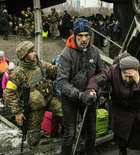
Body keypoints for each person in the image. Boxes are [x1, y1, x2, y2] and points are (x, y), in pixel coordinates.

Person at [87, 56, 140, 155]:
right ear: (120, 71)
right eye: (125, 76)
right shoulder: (114, 70)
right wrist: (92, 89)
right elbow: (97, 79)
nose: (127, 79)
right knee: (121, 138)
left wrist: (138, 80)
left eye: (130, 77)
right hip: (120, 109)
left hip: (139, 110)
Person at [5, 41, 62, 151]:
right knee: (34, 133)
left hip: (49, 99)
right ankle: (34, 151)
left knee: (67, 112)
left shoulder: (39, 64)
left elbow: (53, 70)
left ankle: (74, 135)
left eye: (34, 50)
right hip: (35, 107)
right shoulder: (17, 73)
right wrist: (17, 112)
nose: (34, 53)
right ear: (25, 55)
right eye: (31, 52)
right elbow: (9, 93)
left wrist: (64, 63)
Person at [57, 18, 103, 155]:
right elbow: (62, 82)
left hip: (89, 96)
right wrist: (78, 94)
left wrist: (96, 90)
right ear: (74, 35)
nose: (84, 39)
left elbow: (100, 74)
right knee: (70, 133)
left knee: (91, 131)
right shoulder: (66, 54)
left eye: (87, 35)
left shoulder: (94, 52)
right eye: (80, 36)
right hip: (70, 98)